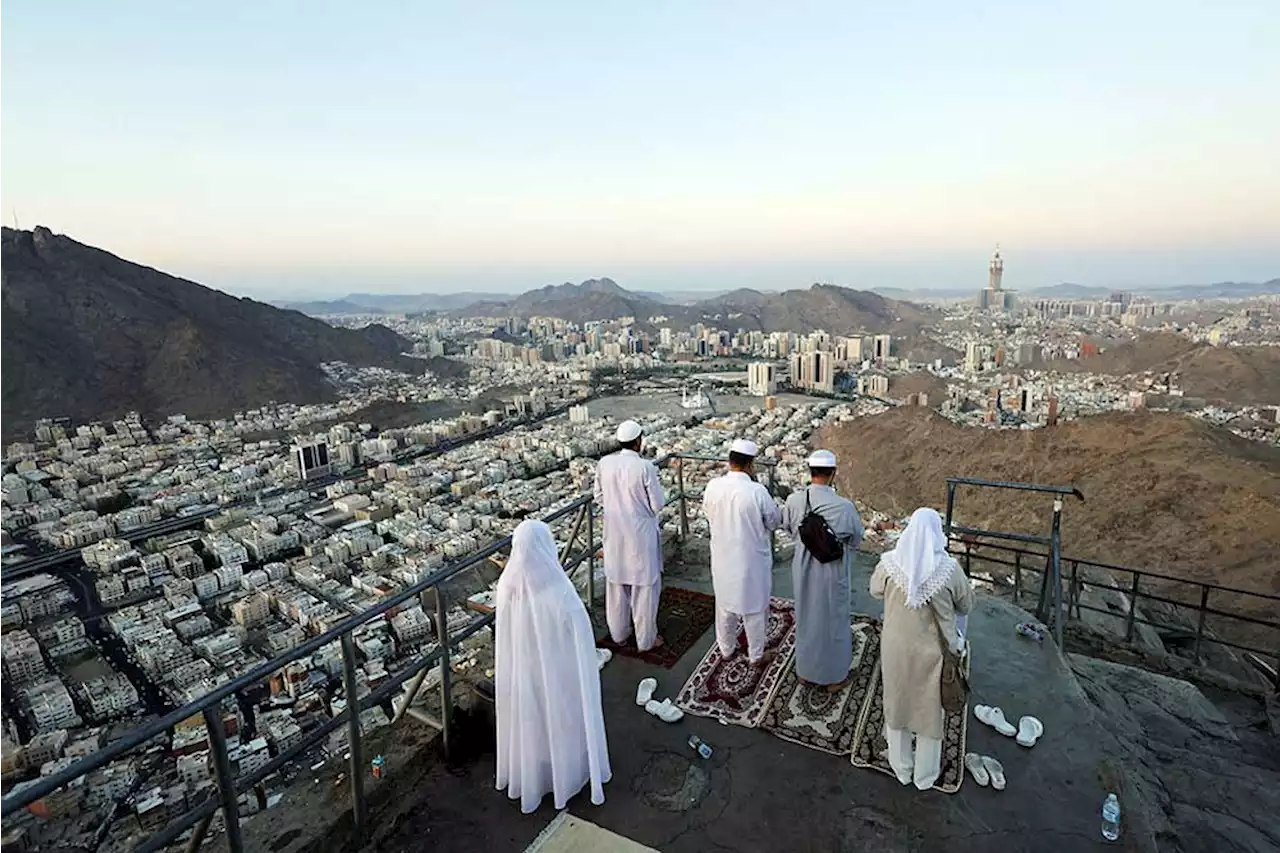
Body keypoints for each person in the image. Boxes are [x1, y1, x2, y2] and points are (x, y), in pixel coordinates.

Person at [495, 519, 611, 813]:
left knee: (532, 719)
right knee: (563, 716)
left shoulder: (507, 585)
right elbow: (582, 637)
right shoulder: (560, 590)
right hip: (559, 670)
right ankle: (567, 774)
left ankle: (536, 775)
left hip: (524, 668)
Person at [869, 507, 974, 790]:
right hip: (934, 654)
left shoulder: (889, 564)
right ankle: (925, 776)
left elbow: (875, 591)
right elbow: (966, 605)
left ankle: (900, 767)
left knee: (897, 700)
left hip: (895, 647)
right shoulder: (950, 570)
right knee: (930, 710)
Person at [781, 450, 865, 691]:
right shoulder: (844, 506)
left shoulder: (794, 500)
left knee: (807, 617)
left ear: (810, 472)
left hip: (803, 570)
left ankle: (806, 673)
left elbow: (788, 528)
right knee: (834, 620)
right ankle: (835, 677)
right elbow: (856, 539)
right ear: (833, 474)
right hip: (832, 573)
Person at [702, 438, 782, 665]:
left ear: (730, 461)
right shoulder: (757, 492)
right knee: (754, 609)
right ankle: (756, 655)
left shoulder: (713, 486)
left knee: (725, 605)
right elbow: (773, 521)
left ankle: (726, 649)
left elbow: (708, 513)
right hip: (750, 560)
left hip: (722, 556)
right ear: (750, 464)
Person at [593, 420, 665, 651]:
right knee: (644, 591)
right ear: (638, 441)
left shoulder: (605, 463)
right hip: (640, 534)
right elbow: (658, 504)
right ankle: (646, 640)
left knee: (616, 588)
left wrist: (617, 508)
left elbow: (598, 496)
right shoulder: (645, 467)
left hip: (614, 531)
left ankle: (618, 635)